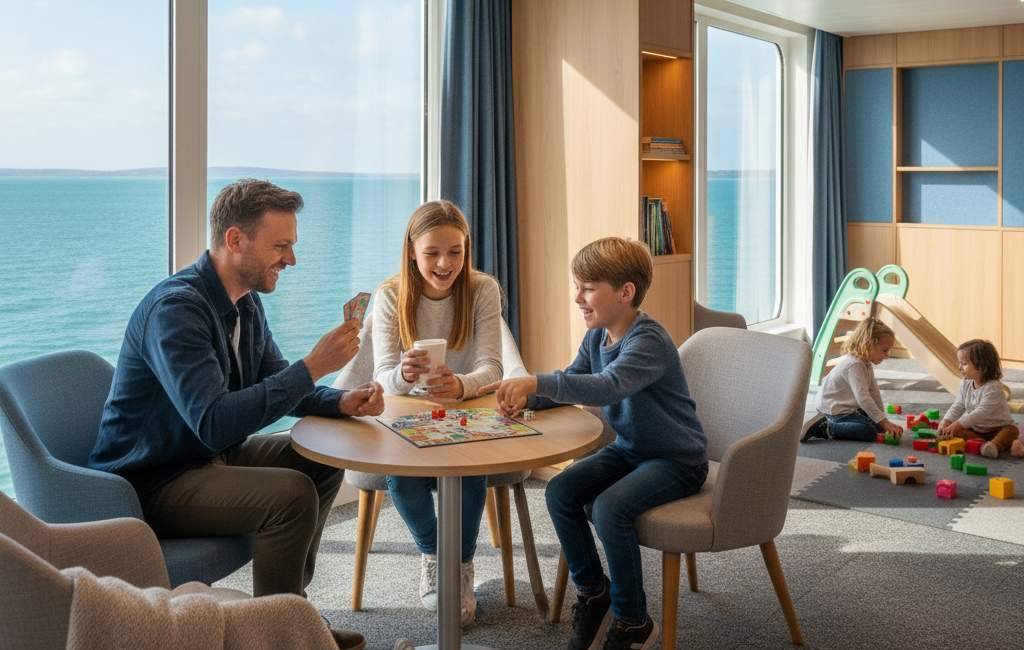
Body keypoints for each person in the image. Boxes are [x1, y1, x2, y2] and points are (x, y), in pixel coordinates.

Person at [89, 179, 382, 649]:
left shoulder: (245, 302)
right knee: (289, 494)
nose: (291, 260)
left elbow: (277, 379)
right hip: (153, 481)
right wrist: (314, 366)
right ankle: (280, 638)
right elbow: (213, 423)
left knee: (321, 458)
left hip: (208, 461)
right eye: (281, 246)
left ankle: (293, 617)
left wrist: (339, 400)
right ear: (235, 240)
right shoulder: (177, 311)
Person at [483, 237, 707, 650]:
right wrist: (526, 396)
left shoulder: (648, 340)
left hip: (677, 459)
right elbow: (571, 381)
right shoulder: (596, 338)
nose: (577, 298)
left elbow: (607, 387)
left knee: (608, 509)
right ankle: (593, 591)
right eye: (577, 286)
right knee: (560, 491)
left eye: (587, 288)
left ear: (626, 292)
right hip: (631, 450)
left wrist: (536, 379)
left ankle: (632, 619)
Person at [371, 199, 503, 625]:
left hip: (461, 413)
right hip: (408, 414)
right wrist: (404, 376)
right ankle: (434, 555)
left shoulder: (483, 289)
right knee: (401, 476)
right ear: (412, 251)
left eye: (456, 252)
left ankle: (462, 567)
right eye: (432, 253)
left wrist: (462, 385)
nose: (446, 264)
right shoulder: (390, 295)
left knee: (470, 468)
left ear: (467, 249)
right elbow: (383, 374)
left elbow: (493, 367)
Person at [804, 317, 904, 442]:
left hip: (847, 408)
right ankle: (825, 427)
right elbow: (863, 398)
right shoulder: (854, 365)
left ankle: (838, 424)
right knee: (868, 431)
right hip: (833, 410)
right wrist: (883, 423)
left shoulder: (866, 363)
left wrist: (884, 421)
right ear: (869, 344)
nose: (887, 355)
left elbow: (874, 392)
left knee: (877, 425)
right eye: (884, 350)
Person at [937, 339, 1019, 459]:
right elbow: (958, 405)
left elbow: (980, 413)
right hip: (976, 429)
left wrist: (957, 424)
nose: (960, 367)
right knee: (957, 431)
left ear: (981, 367)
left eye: (964, 364)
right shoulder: (965, 383)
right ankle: (984, 445)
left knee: (1012, 431)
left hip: (998, 428)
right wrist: (946, 421)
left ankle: (995, 445)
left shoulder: (994, 387)